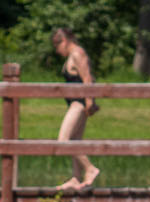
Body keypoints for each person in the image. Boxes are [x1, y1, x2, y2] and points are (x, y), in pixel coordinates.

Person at [51, 27, 100, 191]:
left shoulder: (78, 53)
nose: (57, 51)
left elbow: (87, 78)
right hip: (76, 102)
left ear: (63, 41)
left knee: (64, 140)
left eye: (56, 46)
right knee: (75, 141)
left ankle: (90, 169)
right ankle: (76, 178)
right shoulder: (72, 55)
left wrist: (89, 101)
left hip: (79, 103)